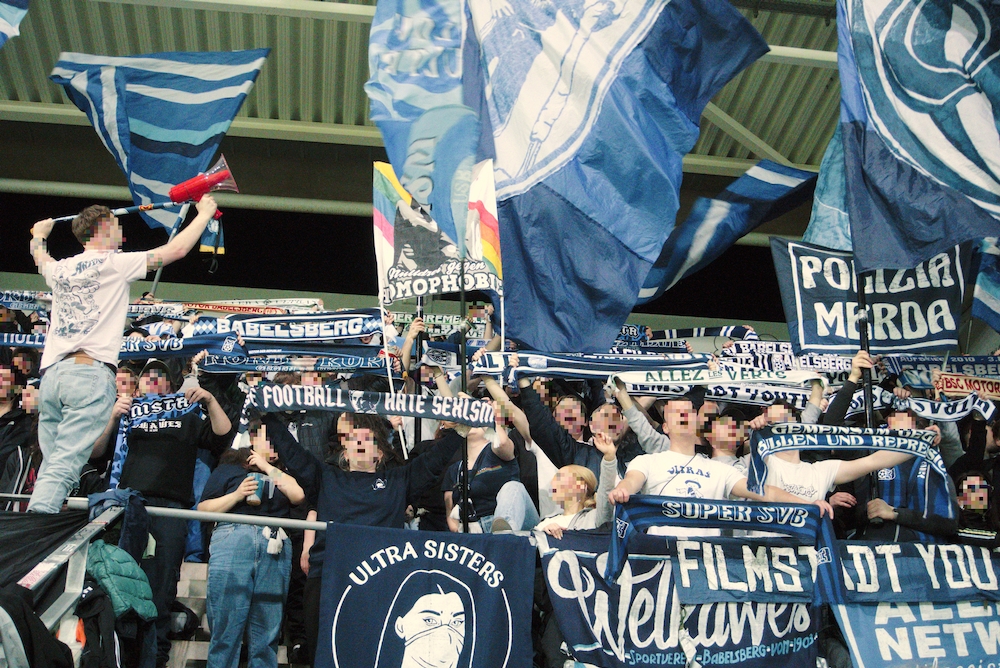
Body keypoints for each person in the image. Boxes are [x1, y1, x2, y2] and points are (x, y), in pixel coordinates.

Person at [27, 194, 219, 513]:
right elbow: (176, 250)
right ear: (102, 228)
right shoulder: (114, 263)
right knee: (65, 464)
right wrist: (203, 214)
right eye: (116, 227)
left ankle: (40, 518)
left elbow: (40, 260)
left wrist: (38, 236)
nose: (122, 233)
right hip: (87, 375)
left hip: (53, 376)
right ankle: (39, 525)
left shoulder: (61, 269)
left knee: (53, 462)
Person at [262, 409, 466, 663]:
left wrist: (462, 430)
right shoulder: (324, 477)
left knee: (372, 655)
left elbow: (435, 460)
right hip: (328, 578)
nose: (360, 441)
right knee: (324, 654)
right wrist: (266, 415)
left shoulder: (399, 480)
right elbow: (292, 452)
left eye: (367, 439)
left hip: (380, 582)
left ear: (379, 454)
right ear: (344, 454)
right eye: (353, 439)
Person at [114, 358, 234, 666]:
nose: (154, 380)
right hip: (129, 504)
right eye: (148, 376)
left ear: (170, 386)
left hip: (171, 509)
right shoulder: (128, 414)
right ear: (139, 384)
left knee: (162, 586)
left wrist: (209, 400)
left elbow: (223, 436)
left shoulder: (188, 415)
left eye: (161, 376)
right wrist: (113, 416)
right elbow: (98, 452)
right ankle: (120, 654)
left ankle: (155, 657)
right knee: (121, 582)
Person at [608, 380, 833, 536]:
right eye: (677, 413)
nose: (684, 416)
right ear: (665, 426)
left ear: (697, 422)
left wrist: (809, 504)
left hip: (708, 557)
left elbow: (766, 489)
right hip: (663, 554)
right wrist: (623, 490)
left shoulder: (724, 469)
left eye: (689, 413)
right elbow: (632, 479)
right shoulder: (650, 459)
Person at [198, 428, 305, 668]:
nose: (274, 445)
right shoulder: (229, 468)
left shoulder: (284, 473)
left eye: (278, 441)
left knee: (267, 630)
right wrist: (237, 495)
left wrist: (265, 466)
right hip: (234, 535)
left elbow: (298, 495)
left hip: (274, 542)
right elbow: (203, 509)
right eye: (269, 439)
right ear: (254, 439)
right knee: (225, 627)